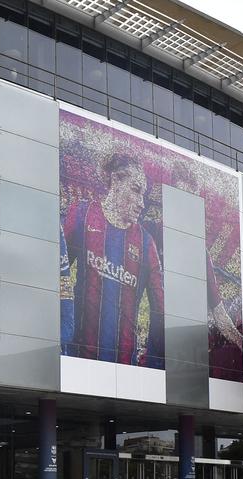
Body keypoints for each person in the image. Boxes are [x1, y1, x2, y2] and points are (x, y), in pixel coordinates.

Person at [60, 153, 164, 367]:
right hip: (78, 360)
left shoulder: (146, 243)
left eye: (143, 194)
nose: (141, 203)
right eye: (135, 190)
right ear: (116, 180)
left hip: (124, 367)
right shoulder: (82, 214)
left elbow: (160, 309)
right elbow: (57, 272)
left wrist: (153, 365)